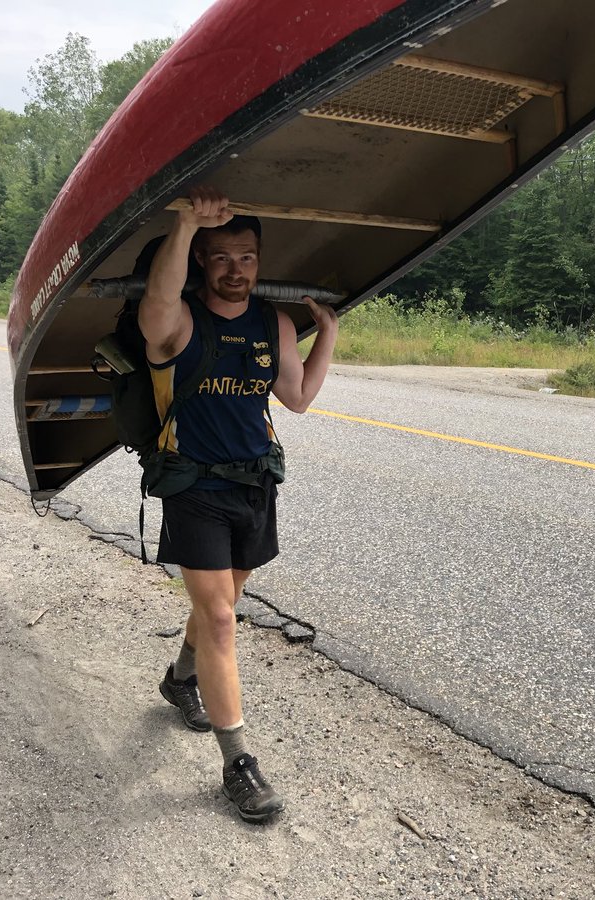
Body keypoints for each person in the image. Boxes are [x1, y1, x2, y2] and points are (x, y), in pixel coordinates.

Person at [139, 186, 338, 823]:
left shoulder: (272, 323)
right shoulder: (174, 323)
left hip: (255, 486)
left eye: (246, 258)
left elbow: (299, 396)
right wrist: (184, 225)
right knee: (222, 619)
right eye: (221, 257)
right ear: (201, 261)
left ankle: (179, 679)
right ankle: (238, 764)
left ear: (258, 261)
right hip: (193, 487)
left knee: (222, 601)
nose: (235, 270)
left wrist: (325, 335)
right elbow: (160, 297)